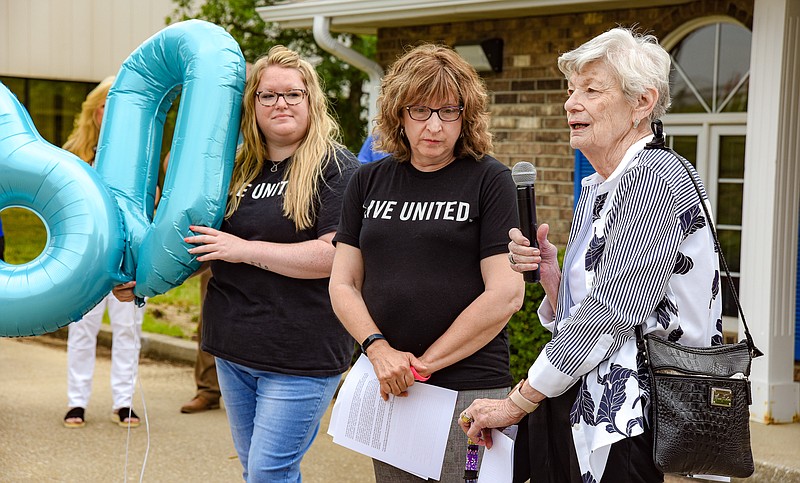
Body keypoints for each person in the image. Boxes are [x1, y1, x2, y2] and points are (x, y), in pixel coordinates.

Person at [458, 27, 723, 483]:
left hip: (640, 424)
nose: (570, 103)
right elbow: (597, 307)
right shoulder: (598, 187)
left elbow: (613, 314)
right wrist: (553, 279)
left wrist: (517, 401)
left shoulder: (657, 177)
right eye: (570, 90)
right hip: (589, 409)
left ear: (642, 103)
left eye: (591, 90)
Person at [114, 45, 359, 481]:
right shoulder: (234, 168)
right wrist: (148, 281)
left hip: (301, 354)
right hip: (233, 347)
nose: (280, 103)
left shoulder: (338, 167)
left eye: (293, 94)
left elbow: (333, 256)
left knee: (268, 472)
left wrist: (243, 248)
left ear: (311, 101)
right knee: (258, 471)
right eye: (267, 95)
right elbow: (204, 245)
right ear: (252, 105)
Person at [329, 44, 525, 482]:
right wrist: (378, 350)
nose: (434, 125)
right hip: (390, 385)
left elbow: (506, 294)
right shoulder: (367, 181)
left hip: (468, 391)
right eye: (420, 110)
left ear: (466, 117)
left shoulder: (489, 180)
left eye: (448, 111)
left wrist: (421, 365)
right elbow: (343, 283)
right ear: (399, 113)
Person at [62, 76, 144, 429]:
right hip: (87, 259)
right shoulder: (74, 155)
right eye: (108, 105)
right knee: (82, 330)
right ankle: (76, 402)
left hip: (130, 258)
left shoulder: (139, 149)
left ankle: (123, 402)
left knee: (128, 329)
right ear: (96, 112)